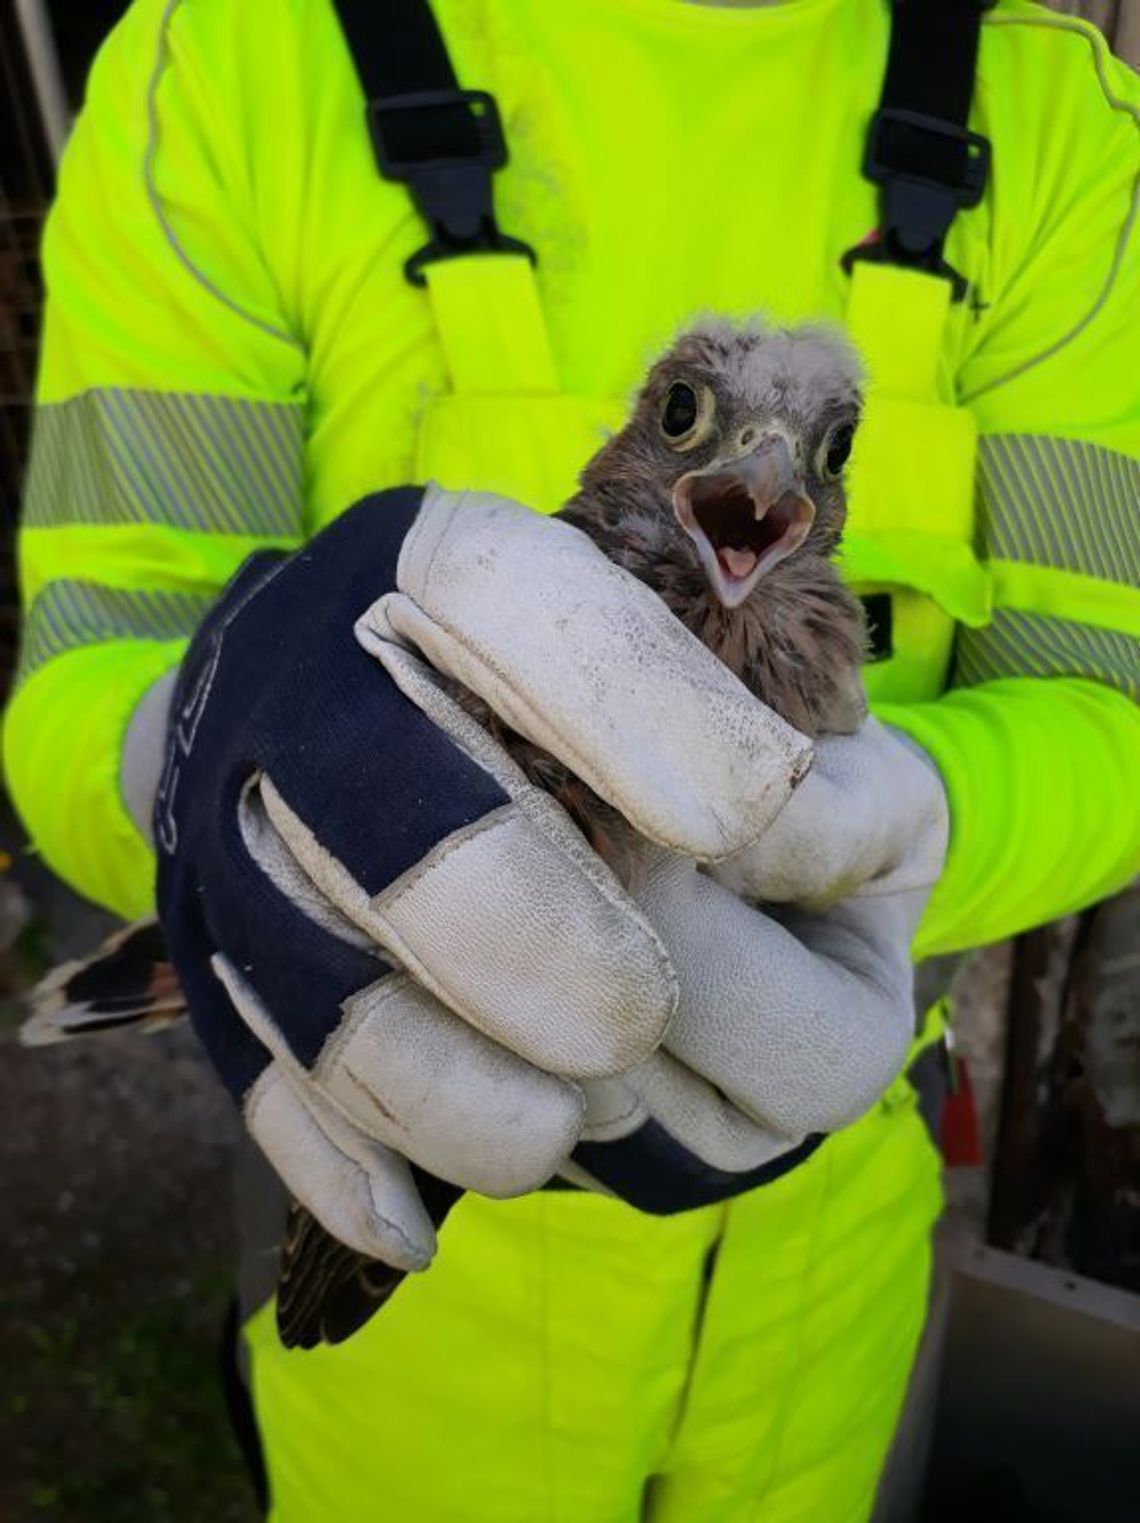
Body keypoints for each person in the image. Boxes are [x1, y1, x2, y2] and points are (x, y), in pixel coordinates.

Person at [7, 0, 1138, 1518]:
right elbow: (89, 675)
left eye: (826, 453)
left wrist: (915, 819)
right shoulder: (232, 53)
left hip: (841, 1208)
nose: (764, 472)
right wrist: (205, 749)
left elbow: (1110, 709)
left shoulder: (1053, 110)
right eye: (692, 420)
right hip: (419, 1214)